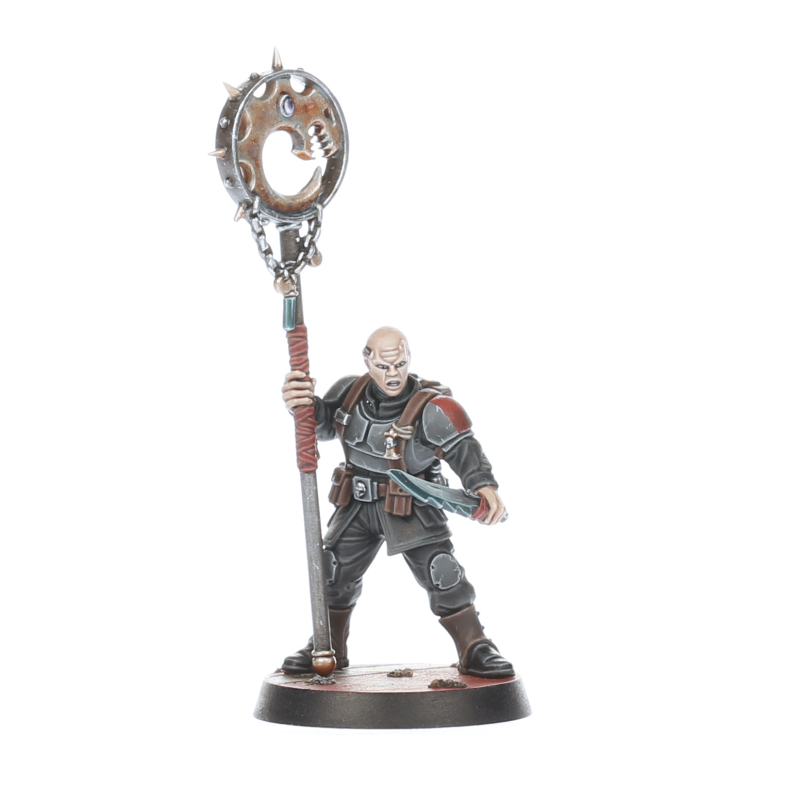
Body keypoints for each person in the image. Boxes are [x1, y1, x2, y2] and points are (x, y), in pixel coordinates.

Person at [280, 326, 514, 678]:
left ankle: (474, 645)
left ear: (408, 359)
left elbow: (463, 448)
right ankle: (327, 646)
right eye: (384, 366)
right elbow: (322, 426)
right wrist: (303, 403)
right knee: (332, 573)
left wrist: (483, 485)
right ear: (368, 361)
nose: (393, 374)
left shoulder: (431, 408)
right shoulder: (349, 393)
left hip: (409, 504)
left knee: (442, 572)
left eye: (400, 364)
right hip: (356, 503)